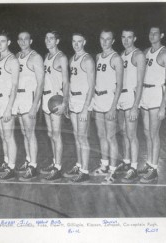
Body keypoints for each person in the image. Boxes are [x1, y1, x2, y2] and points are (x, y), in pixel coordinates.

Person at [139, 26, 166, 183]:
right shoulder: (145, 52)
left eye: (155, 33)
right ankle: (148, 163)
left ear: (162, 35)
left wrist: (163, 105)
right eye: (150, 33)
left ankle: (154, 169)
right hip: (145, 94)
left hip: (156, 95)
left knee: (154, 133)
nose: (152, 35)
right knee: (146, 132)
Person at [93, 29, 123, 184]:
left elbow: (119, 85)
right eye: (102, 38)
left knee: (111, 137)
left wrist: (113, 107)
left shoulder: (116, 58)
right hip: (98, 99)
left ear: (113, 41)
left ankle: (113, 170)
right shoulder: (98, 57)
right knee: (101, 135)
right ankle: (104, 165)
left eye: (108, 39)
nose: (104, 42)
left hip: (110, 101)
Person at [64, 33, 95, 183]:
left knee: (83, 137)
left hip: (83, 101)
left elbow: (92, 85)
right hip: (73, 100)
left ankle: (85, 171)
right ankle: (79, 165)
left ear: (85, 42)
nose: (76, 44)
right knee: (77, 136)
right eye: (74, 41)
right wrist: (68, 103)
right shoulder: (72, 59)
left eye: (79, 42)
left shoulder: (88, 60)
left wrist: (85, 108)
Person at [14, 31, 44, 182]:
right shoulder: (17, 56)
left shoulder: (35, 57)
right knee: (25, 133)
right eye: (20, 39)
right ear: (18, 41)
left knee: (30, 133)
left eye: (26, 39)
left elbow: (41, 84)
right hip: (19, 98)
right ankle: (28, 160)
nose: (23, 41)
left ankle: (33, 166)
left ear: (31, 40)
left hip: (29, 99)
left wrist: (34, 106)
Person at [40, 30, 69, 182]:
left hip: (56, 98)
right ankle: (54, 163)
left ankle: (58, 167)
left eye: (51, 38)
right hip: (46, 98)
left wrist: (65, 102)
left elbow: (66, 81)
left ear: (57, 41)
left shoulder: (61, 57)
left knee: (56, 135)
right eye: (46, 38)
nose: (48, 40)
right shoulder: (46, 57)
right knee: (51, 134)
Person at [117, 29, 145, 183]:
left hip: (131, 97)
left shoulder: (138, 55)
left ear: (135, 38)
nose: (126, 40)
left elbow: (140, 83)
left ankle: (134, 167)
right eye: (123, 37)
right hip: (121, 96)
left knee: (132, 134)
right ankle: (126, 161)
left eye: (129, 37)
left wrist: (135, 106)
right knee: (123, 132)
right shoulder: (121, 55)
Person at [0, 30, 19, 181]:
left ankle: (12, 168)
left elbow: (14, 86)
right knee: (3, 136)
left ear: (9, 42)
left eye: (3, 41)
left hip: (8, 102)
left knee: (9, 136)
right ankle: (6, 162)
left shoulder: (12, 60)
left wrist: (9, 108)